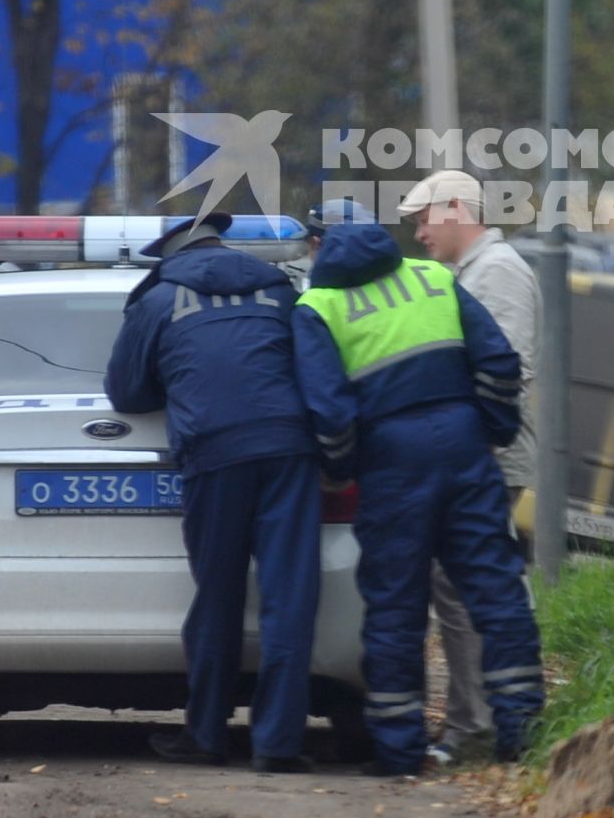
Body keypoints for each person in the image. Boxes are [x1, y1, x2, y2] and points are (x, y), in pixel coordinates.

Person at [292, 215, 543, 777]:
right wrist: (491, 430)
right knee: (496, 592)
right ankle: (522, 732)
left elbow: (329, 415)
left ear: (319, 249)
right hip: (464, 448)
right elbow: (500, 363)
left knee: (395, 607)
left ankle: (400, 750)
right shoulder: (432, 276)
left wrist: (347, 468)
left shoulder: (318, 307)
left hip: (392, 462)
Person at [105, 211, 319, 773]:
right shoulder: (281, 290)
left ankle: (205, 735)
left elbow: (126, 394)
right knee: (290, 599)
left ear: (172, 255)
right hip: (288, 448)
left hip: (214, 452)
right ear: (219, 243)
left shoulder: (158, 301)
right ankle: (278, 744)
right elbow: (313, 366)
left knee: (218, 595)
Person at [397, 169, 540, 767]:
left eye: (425, 218)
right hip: (477, 454)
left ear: (457, 208)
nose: (420, 232)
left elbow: (510, 370)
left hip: (488, 457)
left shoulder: (498, 270)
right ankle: (475, 719)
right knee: (457, 587)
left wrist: (467, 447)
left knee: (462, 588)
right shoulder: (473, 273)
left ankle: (474, 724)